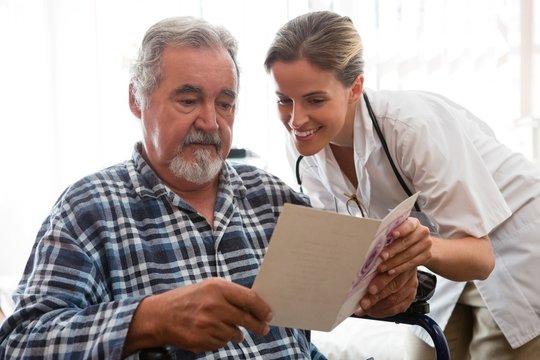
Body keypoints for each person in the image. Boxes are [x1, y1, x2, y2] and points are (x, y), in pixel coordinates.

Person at [0, 16, 431, 359]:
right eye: (188, 100)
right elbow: (20, 343)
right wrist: (149, 319)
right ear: (137, 99)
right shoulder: (89, 209)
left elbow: (352, 295)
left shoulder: (273, 198)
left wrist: (394, 284)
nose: (210, 122)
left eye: (225, 103)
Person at [264, 10, 540, 360]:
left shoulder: (412, 126)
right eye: (283, 99)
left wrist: (419, 249)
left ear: (355, 88)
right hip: (442, 255)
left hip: (514, 245)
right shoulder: (305, 147)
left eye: (315, 100)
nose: (296, 119)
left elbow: (480, 257)